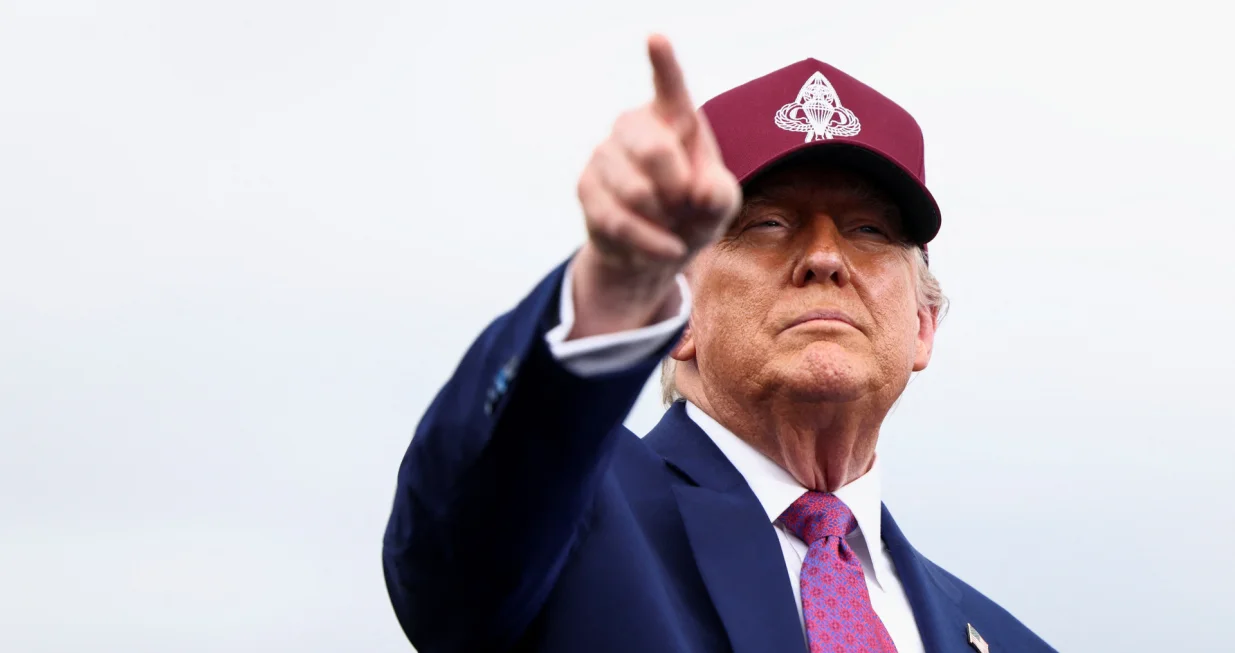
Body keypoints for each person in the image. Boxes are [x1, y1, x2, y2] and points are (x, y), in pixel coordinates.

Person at [383, 35, 1057, 653]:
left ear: (921, 326)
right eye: (766, 223)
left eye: (870, 231)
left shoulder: (1007, 639)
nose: (823, 256)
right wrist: (614, 285)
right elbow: (461, 517)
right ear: (677, 311)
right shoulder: (569, 514)